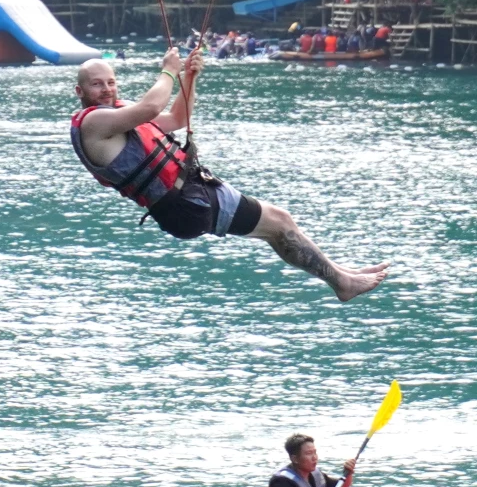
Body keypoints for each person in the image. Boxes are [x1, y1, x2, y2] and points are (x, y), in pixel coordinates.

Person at [71, 51, 390, 301]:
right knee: (278, 223)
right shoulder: (94, 126)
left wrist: (190, 77)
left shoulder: (117, 116)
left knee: (278, 223)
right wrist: (170, 69)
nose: (106, 89)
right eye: (97, 84)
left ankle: (340, 274)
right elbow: (152, 106)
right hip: (184, 206)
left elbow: (178, 118)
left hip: (191, 193)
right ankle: (343, 282)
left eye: (110, 82)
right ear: (80, 91)